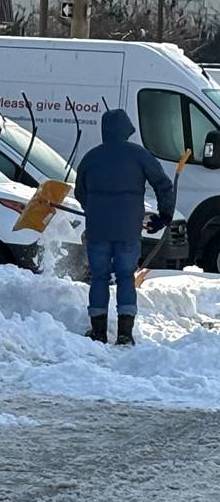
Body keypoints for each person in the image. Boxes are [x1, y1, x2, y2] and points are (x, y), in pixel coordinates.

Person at [74, 109, 175, 346]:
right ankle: (124, 333)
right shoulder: (139, 155)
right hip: (128, 229)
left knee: (98, 277)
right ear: (125, 130)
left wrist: (95, 209)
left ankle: (98, 331)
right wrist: (164, 214)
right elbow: (162, 183)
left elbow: (80, 192)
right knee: (125, 277)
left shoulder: (91, 157)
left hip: (98, 229)